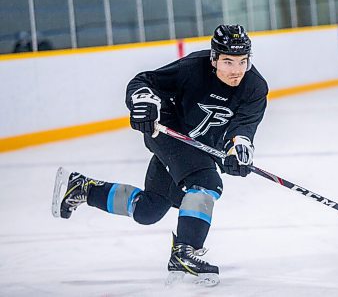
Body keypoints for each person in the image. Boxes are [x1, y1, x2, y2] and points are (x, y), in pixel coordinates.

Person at [52, 24, 268, 286]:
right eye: (228, 61)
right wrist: (143, 101)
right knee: (206, 182)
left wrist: (238, 148)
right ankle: (184, 252)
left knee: (149, 210)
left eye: (243, 61)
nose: (236, 70)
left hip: (198, 146)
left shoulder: (254, 87)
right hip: (168, 131)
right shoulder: (193, 68)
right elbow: (144, 81)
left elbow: (244, 126)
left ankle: (85, 188)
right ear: (214, 58)